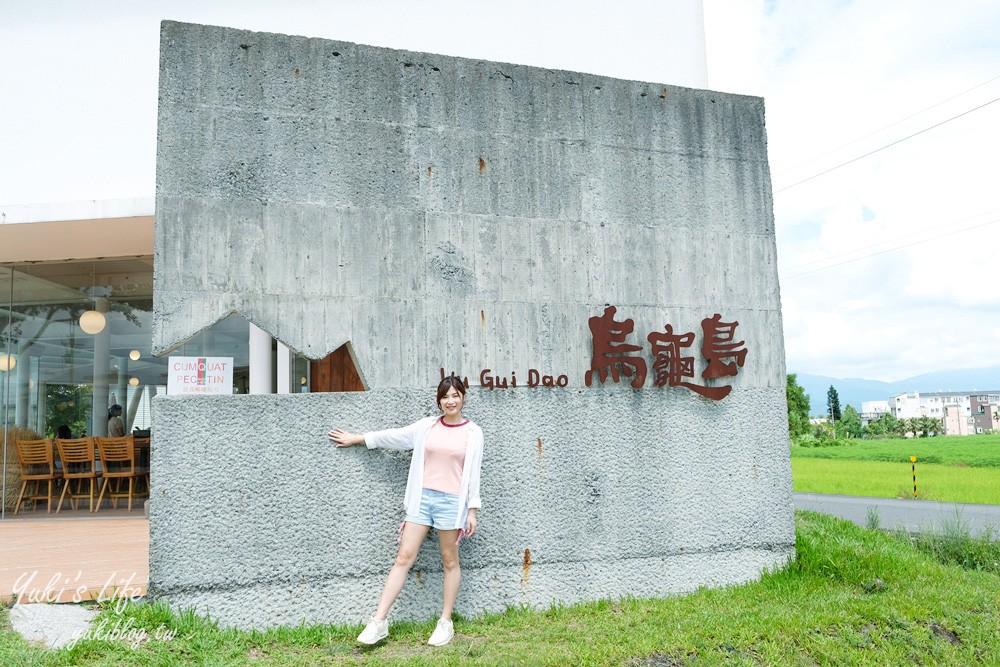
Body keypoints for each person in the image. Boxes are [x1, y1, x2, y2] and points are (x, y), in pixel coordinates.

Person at [328, 375, 484, 647]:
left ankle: (445, 622)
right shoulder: (427, 427)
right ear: (439, 401)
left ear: (463, 398)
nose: (450, 401)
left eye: (455, 395)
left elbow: (473, 475)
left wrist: (472, 511)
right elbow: (395, 436)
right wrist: (358, 438)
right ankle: (379, 622)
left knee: (449, 561)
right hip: (422, 500)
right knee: (404, 557)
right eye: (445, 396)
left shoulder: (473, 432)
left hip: (451, 503)